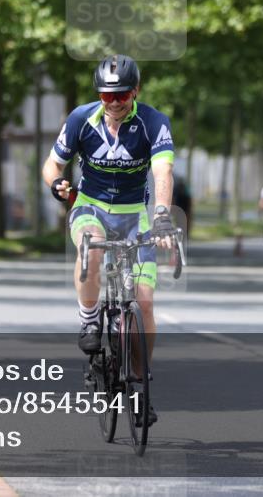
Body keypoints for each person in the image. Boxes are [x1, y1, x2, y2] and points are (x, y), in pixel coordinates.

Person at [41, 54, 176, 428]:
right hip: (91, 207)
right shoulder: (80, 119)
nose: (114, 103)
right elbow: (52, 164)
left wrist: (162, 215)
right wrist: (56, 183)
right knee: (91, 243)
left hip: (137, 215)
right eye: (107, 96)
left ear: (136, 91)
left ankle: (140, 380)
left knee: (144, 302)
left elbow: (162, 171)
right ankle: (88, 320)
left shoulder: (153, 122)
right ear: (99, 95)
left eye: (122, 95)